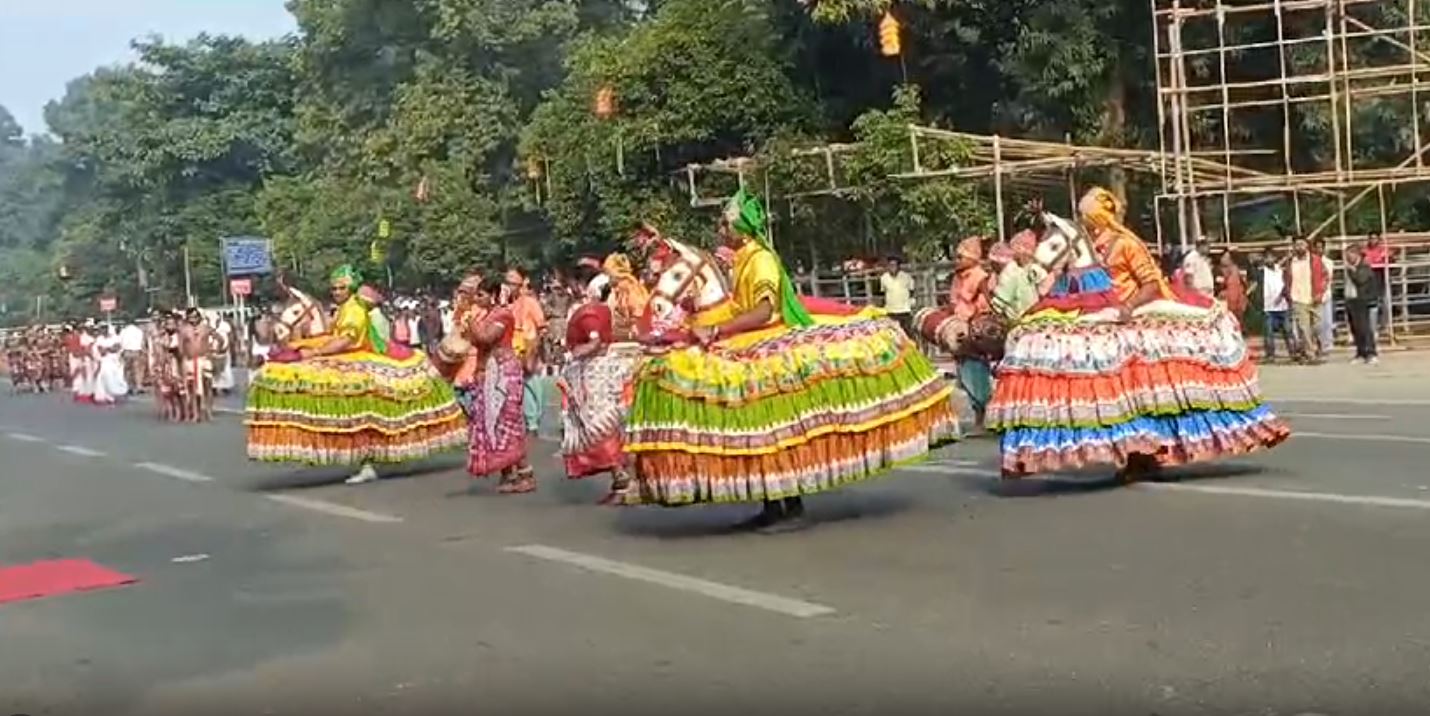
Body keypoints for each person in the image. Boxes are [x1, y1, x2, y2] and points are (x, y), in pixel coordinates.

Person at [622, 189, 959, 532]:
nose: (720, 230)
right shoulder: (741, 260)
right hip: (747, 336)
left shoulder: (760, 259)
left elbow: (764, 310)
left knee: (775, 427)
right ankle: (772, 502)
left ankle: (792, 505)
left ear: (740, 228)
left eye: (725, 223)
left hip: (767, 338)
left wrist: (718, 327)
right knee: (756, 429)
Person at [988, 187, 1289, 482]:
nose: (1084, 220)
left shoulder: (1126, 244)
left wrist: (1127, 307)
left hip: (1131, 317)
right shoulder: (1085, 243)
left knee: (1144, 394)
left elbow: (1150, 283)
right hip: (1100, 316)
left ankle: (1147, 447)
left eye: (1087, 215)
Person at [245, 265, 467, 484]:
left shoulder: (354, 309)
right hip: (351, 356)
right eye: (333, 289)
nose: (336, 292)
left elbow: (347, 340)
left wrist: (314, 351)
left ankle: (366, 461)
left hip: (361, 359)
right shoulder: (343, 309)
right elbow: (332, 335)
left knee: (361, 413)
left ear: (350, 289)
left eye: (341, 288)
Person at [558, 275, 642, 503]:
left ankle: (624, 480)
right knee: (607, 426)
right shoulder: (602, 310)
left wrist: (572, 355)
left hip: (594, 374)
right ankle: (622, 481)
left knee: (598, 427)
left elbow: (594, 343)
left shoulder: (590, 312)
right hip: (601, 371)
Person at [460, 275, 536, 493]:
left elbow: (485, 338)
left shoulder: (503, 314)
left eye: (481, 295)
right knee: (491, 425)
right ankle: (507, 474)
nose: (477, 299)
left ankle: (525, 474)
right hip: (488, 373)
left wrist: (470, 321)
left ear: (493, 295)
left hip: (503, 373)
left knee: (507, 423)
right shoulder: (486, 315)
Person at [949, 237, 994, 432]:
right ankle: (978, 416)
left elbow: (985, 306)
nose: (957, 260)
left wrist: (971, 327)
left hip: (974, 332)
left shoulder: (981, 277)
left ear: (973, 258)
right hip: (960, 328)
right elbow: (953, 302)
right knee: (965, 374)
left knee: (977, 373)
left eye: (961, 257)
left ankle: (981, 418)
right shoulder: (958, 277)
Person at [505, 268, 549, 435]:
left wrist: (535, 348)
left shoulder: (530, 302)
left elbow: (542, 327)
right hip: (514, 347)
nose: (509, 287)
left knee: (532, 381)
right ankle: (530, 420)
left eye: (512, 283)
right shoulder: (509, 304)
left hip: (529, 344)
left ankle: (534, 418)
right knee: (520, 384)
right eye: (507, 283)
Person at [1283, 236, 1327, 362]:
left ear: (1307, 245)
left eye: (1302, 244)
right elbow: (1286, 278)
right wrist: (1288, 293)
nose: (1299, 247)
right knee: (1304, 328)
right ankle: (1310, 354)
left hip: (1314, 297)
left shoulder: (1315, 260)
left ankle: (1317, 348)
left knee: (1318, 326)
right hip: (1297, 298)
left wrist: (1320, 292)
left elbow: (1325, 276)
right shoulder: (1290, 262)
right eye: (1297, 245)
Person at [1342, 244, 1379, 365]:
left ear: (1356, 254)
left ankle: (1371, 352)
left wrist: (1352, 271)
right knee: (1355, 329)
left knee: (1365, 328)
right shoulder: (1350, 267)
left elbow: (1360, 280)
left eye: (1350, 255)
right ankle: (1360, 352)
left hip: (1362, 301)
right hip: (1351, 300)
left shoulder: (1364, 267)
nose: (1348, 258)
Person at [1258, 250, 1293, 361]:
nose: (1269, 260)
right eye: (1267, 258)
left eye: (1271, 257)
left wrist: (1283, 296)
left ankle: (1293, 352)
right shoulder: (1262, 272)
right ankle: (1270, 354)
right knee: (1268, 333)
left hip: (1282, 305)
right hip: (1268, 306)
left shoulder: (1279, 270)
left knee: (1288, 330)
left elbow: (1286, 282)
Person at [92, 324, 128, 405]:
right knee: (103, 377)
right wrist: (108, 348)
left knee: (116, 378)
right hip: (105, 361)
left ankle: (116, 394)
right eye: (102, 329)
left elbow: (116, 348)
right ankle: (104, 396)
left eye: (105, 329)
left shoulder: (116, 338)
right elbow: (101, 351)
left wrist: (107, 348)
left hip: (115, 361)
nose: (103, 331)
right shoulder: (99, 339)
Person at [880, 255, 916, 337]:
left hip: (904, 309)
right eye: (890, 265)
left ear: (898, 266)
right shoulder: (884, 278)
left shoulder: (906, 277)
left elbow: (912, 290)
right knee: (893, 334)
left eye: (894, 265)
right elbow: (883, 293)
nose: (892, 267)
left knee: (908, 333)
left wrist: (911, 302)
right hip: (891, 310)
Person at [1363, 231, 1390, 337]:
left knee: (1384, 304)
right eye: (1371, 238)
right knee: (1371, 306)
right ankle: (1371, 329)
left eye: (1375, 238)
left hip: (1381, 280)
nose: (1373, 240)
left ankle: (1384, 326)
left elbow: (1388, 258)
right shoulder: (1365, 251)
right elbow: (1366, 261)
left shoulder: (1383, 249)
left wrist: (1381, 259)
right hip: (1369, 281)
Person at [1311, 238, 1335, 357]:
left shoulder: (1329, 262)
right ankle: (1317, 345)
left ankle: (1327, 345)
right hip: (1313, 296)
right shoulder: (1310, 261)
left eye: (1321, 247)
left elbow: (1328, 278)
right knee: (1317, 324)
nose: (1319, 249)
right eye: (1317, 247)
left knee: (1327, 322)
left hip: (1326, 295)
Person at [1217, 250, 1248, 328]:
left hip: (1232, 312)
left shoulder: (1233, 276)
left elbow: (1233, 298)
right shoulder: (1232, 274)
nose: (1222, 258)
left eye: (1225, 256)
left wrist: (1222, 295)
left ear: (1231, 260)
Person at [119, 320, 146, 393]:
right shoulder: (138, 331)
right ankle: (139, 386)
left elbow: (121, 342)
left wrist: (121, 352)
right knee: (137, 370)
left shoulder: (123, 331)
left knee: (128, 370)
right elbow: (142, 342)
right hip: (136, 351)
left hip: (127, 351)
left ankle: (129, 386)